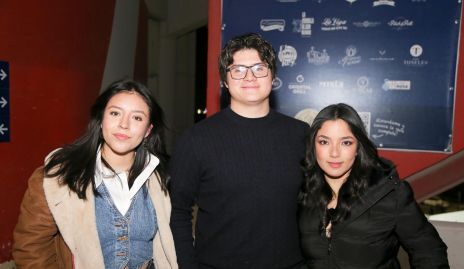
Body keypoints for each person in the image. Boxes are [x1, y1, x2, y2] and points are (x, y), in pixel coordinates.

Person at [169, 33, 308, 269]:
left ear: (272, 76)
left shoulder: (301, 134)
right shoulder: (195, 140)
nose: (250, 76)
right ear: (225, 80)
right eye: (238, 70)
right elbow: (178, 212)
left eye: (259, 68)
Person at [13, 79, 178, 269]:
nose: (124, 124)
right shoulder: (59, 176)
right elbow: (31, 248)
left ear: (148, 130)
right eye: (115, 113)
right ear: (101, 120)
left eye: (137, 118)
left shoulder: (160, 178)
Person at [299, 103, 449, 269]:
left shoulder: (389, 193)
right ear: (313, 146)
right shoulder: (301, 192)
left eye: (346, 143)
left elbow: (429, 251)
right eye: (324, 142)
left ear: (358, 147)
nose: (334, 153)